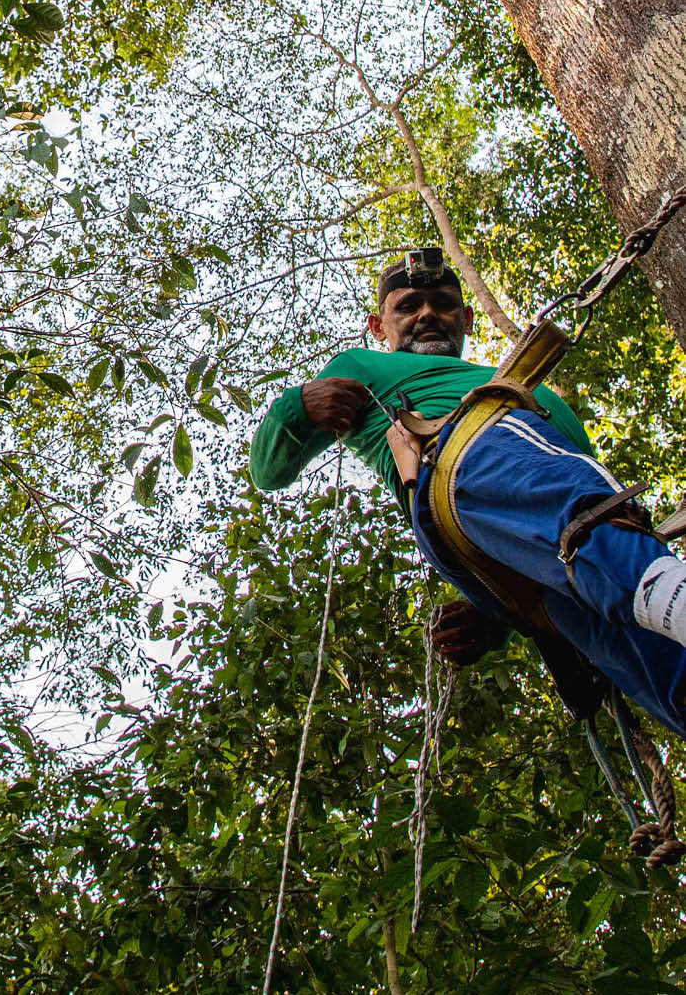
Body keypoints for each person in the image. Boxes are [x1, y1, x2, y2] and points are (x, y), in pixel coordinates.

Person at [250, 249, 686, 737]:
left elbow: (537, 506)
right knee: (602, 543)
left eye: (442, 303)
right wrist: (298, 408)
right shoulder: (361, 365)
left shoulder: (506, 379)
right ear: (378, 327)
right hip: (466, 456)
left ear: (468, 318)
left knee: (663, 668)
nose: (428, 314)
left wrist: (490, 618)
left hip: (538, 538)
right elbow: (268, 470)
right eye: (408, 306)